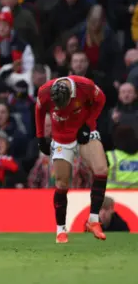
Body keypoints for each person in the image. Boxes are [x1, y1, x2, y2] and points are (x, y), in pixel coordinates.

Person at [35, 76, 108, 243]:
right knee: (62, 183)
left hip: (84, 132)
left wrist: (88, 124)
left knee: (101, 170)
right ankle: (61, 230)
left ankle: (93, 220)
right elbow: (39, 111)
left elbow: (101, 100)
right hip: (61, 138)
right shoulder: (44, 92)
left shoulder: (85, 86)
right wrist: (40, 138)